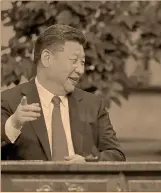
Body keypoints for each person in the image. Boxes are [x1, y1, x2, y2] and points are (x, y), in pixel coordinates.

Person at [1, 24, 126, 162]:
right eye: (74, 61)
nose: (80, 70)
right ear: (47, 58)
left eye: (82, 62)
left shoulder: (93, 106)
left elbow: (116, 155)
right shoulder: (8, 101)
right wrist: (13, 123)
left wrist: (89, 163)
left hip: (81, 183)